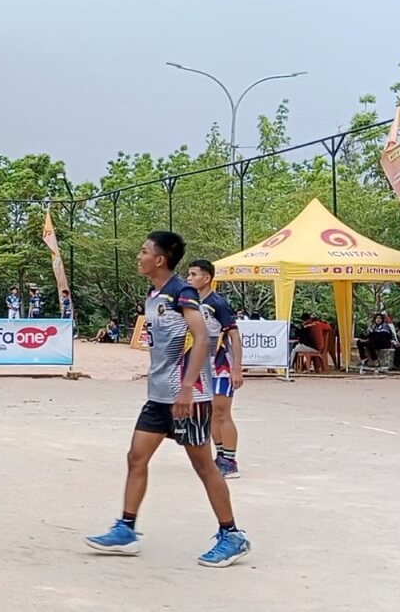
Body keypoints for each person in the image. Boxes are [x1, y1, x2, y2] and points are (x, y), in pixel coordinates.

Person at [85, 231, 250, 568]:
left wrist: (188, 387)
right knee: (136, 457)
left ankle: (232, 535)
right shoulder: (155, 293)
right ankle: (126, 529)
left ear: (159, 259)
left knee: (204, 466)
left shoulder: (182, 293)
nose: (138, 256)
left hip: (188, 397)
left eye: (143, 251)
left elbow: (202, 337)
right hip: (159, 397)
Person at [186, 260, 245, 479]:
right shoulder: (190, 304)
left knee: (222, 411)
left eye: (193, 274)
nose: (189, 278)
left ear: (207, 278)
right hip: (201, 366)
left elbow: (234, 335)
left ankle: (230, 460)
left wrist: (237, 368)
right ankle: (219, 456)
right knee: (209, 412)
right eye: (188, 275)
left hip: (220, 365)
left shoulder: (217, 303)